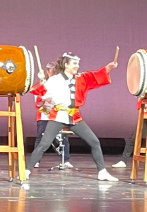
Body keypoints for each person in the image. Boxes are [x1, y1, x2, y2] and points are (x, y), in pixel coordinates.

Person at [25, 52, 119, 181]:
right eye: (74, 64)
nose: (77, 66)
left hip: (74, 116)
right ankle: (27, 171)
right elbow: (41, 93)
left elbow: (96, 76)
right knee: (44, 144)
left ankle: (102, 172)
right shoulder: (55, 79)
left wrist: (109, 67)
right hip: (58, 116)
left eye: (78, 64)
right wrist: (45, 95)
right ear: (66, 65)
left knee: (95, 142)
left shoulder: (82, 78)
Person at [31, 62, 71, 168]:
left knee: (63, 137)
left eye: (55, 70)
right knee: (40, 138)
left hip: (58, 114)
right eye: (51, 70)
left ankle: (66, 160)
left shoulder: (61, 85)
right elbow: (37, 99)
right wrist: (44, 98)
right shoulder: (42, 84)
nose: (53, 73)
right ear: (48, 72)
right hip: (44, 114)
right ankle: (36, 160)